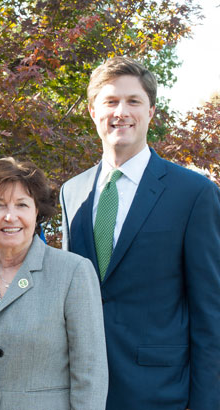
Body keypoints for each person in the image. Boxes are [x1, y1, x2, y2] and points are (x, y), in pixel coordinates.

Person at [60, 56, 220, 410]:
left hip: (161, 392)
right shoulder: (72, 192)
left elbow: (211, 312)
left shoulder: (193, 194)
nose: (122, 112)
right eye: (111, 101)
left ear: (150, 112)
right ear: (92, 111)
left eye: (134, 101)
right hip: (82, 389)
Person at [0, 157, 108, 410]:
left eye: (22, 205)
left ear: (36, 211)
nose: (10, 216)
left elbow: (90, 374)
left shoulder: (73, 272)